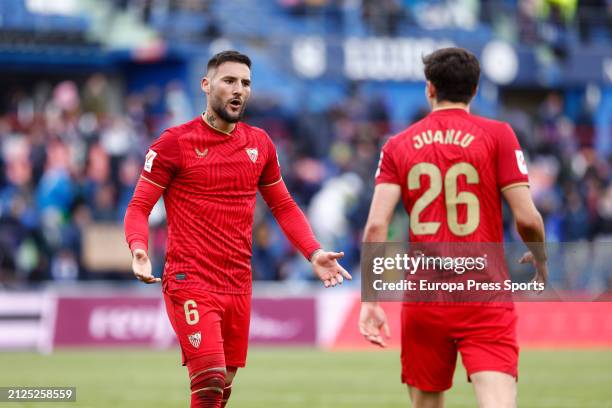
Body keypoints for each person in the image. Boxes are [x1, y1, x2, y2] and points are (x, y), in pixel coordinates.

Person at [124, 50, 351, 408]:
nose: (239, 90)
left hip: (238, 282)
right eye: (229, 80)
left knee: (221, 384)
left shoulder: (259, 144)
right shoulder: (174, 143)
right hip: (190, 279)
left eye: (245, 83)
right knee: (211, 376)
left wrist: (314, 252)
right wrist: (138, 247)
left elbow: (284, 205)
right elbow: (139, 206)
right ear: (206, 84)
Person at [358, 47, 548, 408]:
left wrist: (371, 299)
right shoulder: (499, 135)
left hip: (425, 298)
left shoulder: (397, 145)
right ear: (475, 90)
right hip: (485, 294)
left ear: (429, 89)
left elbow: (375, 227)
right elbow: (527, 218)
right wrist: (540, 258)